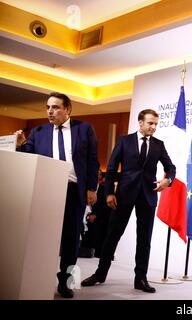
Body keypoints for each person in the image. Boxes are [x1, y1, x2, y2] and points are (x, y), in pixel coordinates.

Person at [81, 109, 176, 293]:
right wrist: (109, 193)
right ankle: (100, 274)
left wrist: (167, 180)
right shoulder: (124, 141)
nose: (153, 127)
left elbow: (170, 167)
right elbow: (110, 167)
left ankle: (140, 279)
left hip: (148, 196)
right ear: (140, 123)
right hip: (123, 195)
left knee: (144, 239)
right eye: (150, 123)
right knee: (112, 235)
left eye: (156, 124)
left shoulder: (159, 144)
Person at [15, 92, 99, 298]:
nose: (50, 111)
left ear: (67, 109)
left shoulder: (84, 128)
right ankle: (39, 278)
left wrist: (91, 188)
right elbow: (28, 154)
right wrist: (19, 145)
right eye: (47, 107)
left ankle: (66, 282)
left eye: (55, 107)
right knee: (43, 237)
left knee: (71, 239)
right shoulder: (39, 131)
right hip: (46, 189)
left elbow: (92, 160)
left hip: (73, 190)